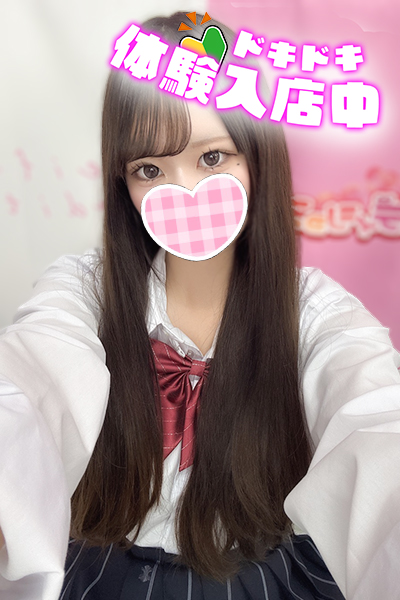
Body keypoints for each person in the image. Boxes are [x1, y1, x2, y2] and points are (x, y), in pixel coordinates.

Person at [0, 11, 400, 600]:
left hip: (262, 579)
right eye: (150, 169)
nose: (183, 192)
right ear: (123, 183)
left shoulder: (313, 310)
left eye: (213, 158)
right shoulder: (85, 289)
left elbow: (374, 417)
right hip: (103, 574)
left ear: (257, 154)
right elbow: (32, 380)